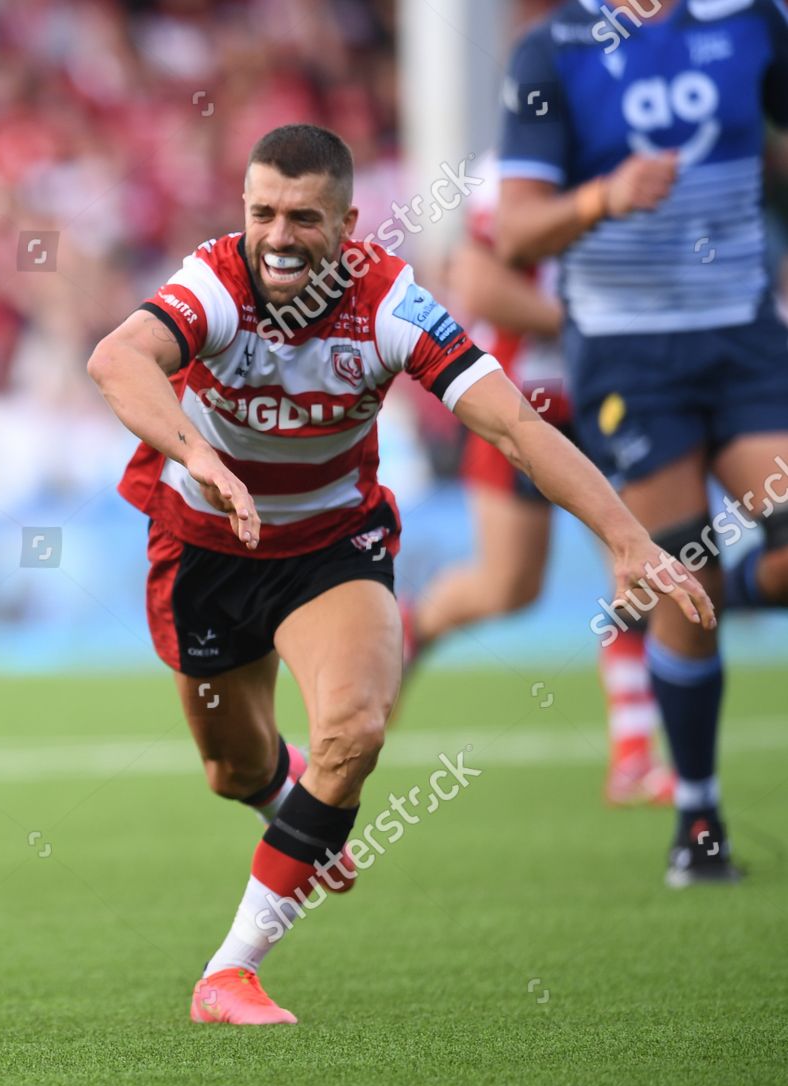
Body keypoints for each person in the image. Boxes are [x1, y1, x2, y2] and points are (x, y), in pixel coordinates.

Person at [86, 123, 713, 1025]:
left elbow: (518, 428)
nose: (277, 236)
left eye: (303, 217)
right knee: (233, 770)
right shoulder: (215, 281)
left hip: (329, 551)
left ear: (348, 222)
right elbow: (117, 359)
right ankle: (286, 796)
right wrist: (202, 457)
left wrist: (624, 539)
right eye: (262, 212)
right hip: (205, 548)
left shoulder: (390, 304)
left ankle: (229, 971)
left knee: (355, 730)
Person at [498, 0, 788, 884]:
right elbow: (515, 231)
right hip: (629, 359)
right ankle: (697, 822)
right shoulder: (551, 53)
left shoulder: (758, 23)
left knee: (695, 586)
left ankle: (716, 591)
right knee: (681, 577)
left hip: (745, 339)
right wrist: (604, 196)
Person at [403, 153, 671, 807]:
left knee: (635, 560)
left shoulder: (632, 158)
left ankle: (634, 757)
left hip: (607, 402)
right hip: (517, 405)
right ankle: (414, 624)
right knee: (508, 588)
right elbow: (483, 289)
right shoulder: (511, 176)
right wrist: (585, 327)